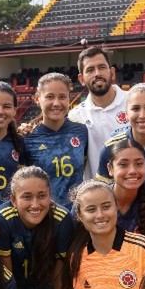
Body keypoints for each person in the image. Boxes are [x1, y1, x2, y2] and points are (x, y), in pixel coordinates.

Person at [23, 72, 90, 206]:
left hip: (76, 213)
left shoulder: (81, 131)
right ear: (37, 99)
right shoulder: (27, 138)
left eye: (62, 97)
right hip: (44, 214)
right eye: (50, 97)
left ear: (68, 99)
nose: (56, 103)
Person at [67, 45, 128, 176]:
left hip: (134, 190)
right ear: (81, 79)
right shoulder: (75, 116)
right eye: (90, 70)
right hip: (97, 193)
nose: (97, 74)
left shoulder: (133, 103)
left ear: (112, 72)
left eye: (101, 67)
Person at [107, 137, 145, 236]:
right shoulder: (92, 201)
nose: (132, 171)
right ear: (110, 169)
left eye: (138, 164)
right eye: (123, 164)